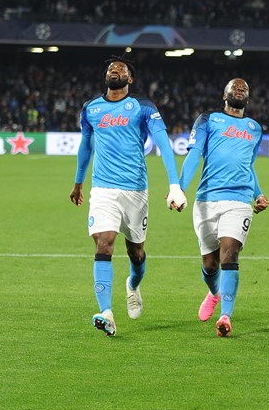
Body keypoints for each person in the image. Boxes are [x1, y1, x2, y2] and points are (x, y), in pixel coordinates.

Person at [70, 56, 186, 338]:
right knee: (104, 244)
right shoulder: (91, 108)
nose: (115, 70)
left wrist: (175, 184)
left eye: (121, 69)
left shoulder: (143, 107)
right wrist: (78, 182)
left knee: (136, 252)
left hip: (135, 190)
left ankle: (133, 285)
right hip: (103, 189)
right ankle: (107, 313)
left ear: (130, 79)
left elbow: (164, 144)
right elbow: (86, 146)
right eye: (111, 68)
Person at [172, 78, 269, 338]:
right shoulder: (208, 119)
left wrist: (258, 193)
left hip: (239, 201)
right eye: (234, 87)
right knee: (210, 264)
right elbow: (194, 154)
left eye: (244, 88)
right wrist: (179, 188)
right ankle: (214, 293)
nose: (239, 89)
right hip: (207, 200)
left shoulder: (254, 128)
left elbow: (248, 165)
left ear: (248, 99)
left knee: (230, 254)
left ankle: (225, 316)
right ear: (224, 95)